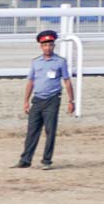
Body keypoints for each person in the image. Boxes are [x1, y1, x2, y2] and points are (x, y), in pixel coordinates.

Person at [15, 30, 75, 170]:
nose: (48, 47)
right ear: (41, 47)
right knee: (32, 131)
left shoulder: (60, 62)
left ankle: (47, 160)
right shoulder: (36, 62)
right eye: (45, 45)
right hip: (37, 100)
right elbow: (30, 82)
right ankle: (25, 160)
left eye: (50, 44)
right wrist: (26, 101)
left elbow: (67, 81)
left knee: (50, 130)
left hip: (52, 100)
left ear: (54, 45)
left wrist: (71, 101)